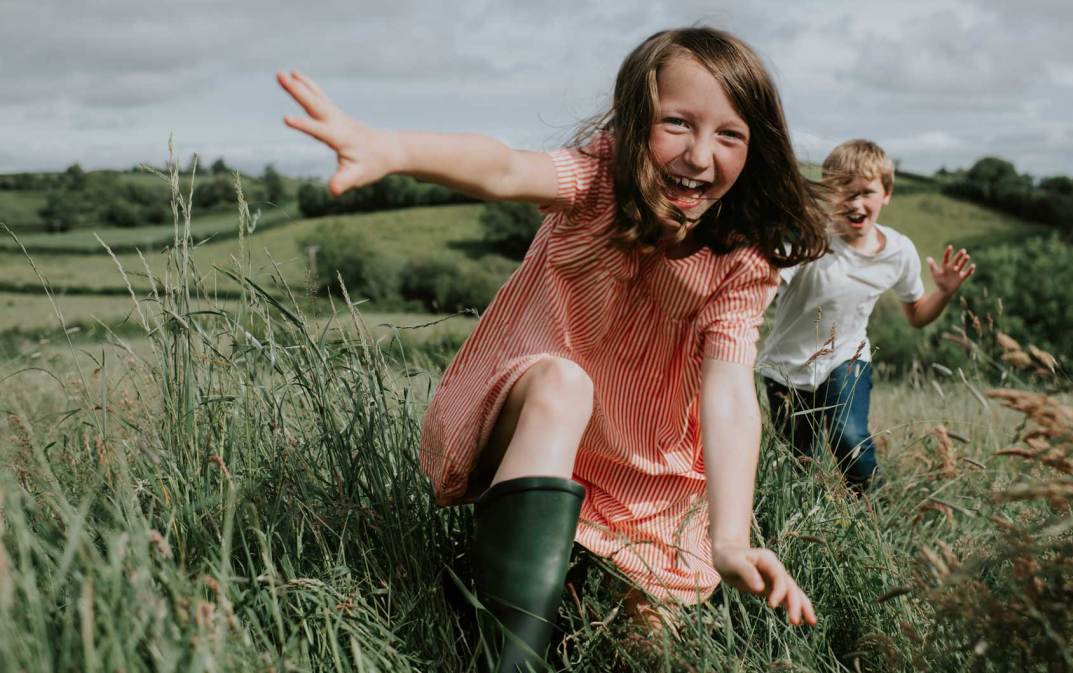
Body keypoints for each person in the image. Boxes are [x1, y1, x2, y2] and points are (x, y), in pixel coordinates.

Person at [279, 26, 826, 671]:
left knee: (648, 646)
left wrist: (730, 538)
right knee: (566, 383)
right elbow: (505, 167)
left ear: (757, 147)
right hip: (531, 408)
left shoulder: (742, 257)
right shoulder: (596, 179)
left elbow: (730, 390)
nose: (700, 157)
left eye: (729, 135)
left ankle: (566, 580)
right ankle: (506, 660)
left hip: (642, 465)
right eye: (677, 123)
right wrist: (391, 148)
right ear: (633, 121)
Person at [758, 139, 976, 494]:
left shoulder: (899, 251)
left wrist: (945, 292)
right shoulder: (809, 239)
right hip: (786, 367)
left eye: (866, 192)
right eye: (844, 192)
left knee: (850, 438)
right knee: (798, 466)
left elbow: (918, 315)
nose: (856, 203)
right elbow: (763, 289)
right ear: (828, 195)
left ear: (886, 194)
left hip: (847, 357)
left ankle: (872, 509)